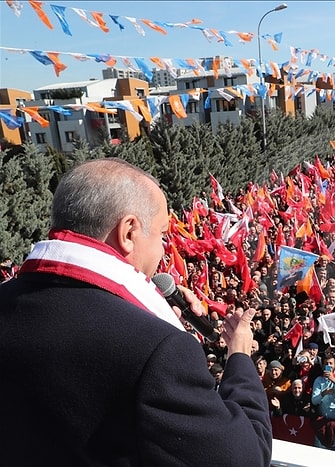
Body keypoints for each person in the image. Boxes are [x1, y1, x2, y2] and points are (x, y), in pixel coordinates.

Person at [0, 159, 272, 466]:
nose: (164, 250)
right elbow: (246, 457)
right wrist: (240, 358)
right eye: (161, 235)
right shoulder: (160, 351)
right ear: (129, 231)